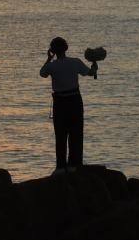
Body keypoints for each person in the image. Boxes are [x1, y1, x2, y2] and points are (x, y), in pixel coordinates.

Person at [40, 37, 97, 175]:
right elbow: (90, 73)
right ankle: (73, 165)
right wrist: (94, 67)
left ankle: (60, 167)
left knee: (60, 135)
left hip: (59, 102)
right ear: (66, 48)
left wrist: (48, 58)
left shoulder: (52, 65)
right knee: (76, 134)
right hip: (75, 100)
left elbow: (42, 73)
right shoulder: (75, 62)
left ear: (52, 50)